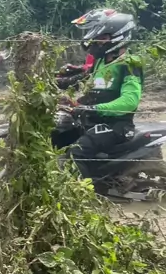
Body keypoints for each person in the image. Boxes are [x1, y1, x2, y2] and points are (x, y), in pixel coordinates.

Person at [61, 10, 143, 182]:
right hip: (91, 121)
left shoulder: (129, 64)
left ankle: (83, 195)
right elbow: (90, 87)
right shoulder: (101, 61)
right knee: (57, 136)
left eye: (102, 38)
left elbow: (130, 101)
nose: (96, 42)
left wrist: (93, 108)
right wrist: (72, 101)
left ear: (118, 37)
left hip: (116, 126)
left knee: (76, 153)